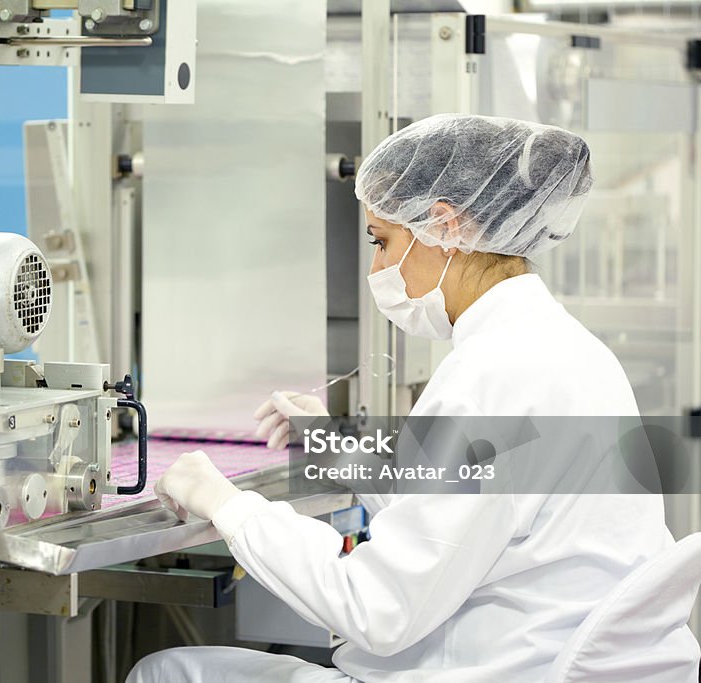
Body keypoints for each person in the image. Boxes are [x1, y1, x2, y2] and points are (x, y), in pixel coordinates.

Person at [126, 114, 677, 682]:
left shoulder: (492, 374)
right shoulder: (560, 347)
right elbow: (459, 504)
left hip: (496, 668)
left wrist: (226, 504)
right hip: (540, 657)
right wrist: (335, 442)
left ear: (445, 227)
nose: (376, 267)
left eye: (382, 241)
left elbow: (375, 608)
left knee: (167, 672)